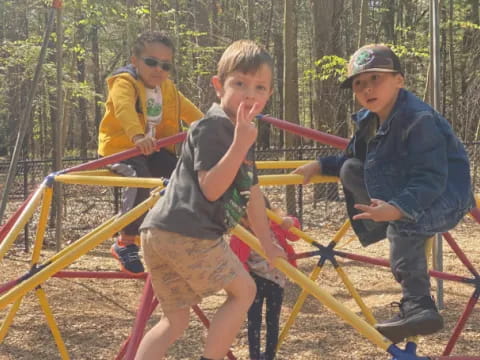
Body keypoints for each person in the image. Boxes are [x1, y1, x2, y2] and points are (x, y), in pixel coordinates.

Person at [293, 44, 474, 344]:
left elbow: (431, 177)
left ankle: (418, 305)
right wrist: (319, 164)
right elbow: (352, 158)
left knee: (404, 229)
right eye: (359, 83)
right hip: (406, 186)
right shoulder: (369, 119)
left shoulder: (418, 119)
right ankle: (387, 221)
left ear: (399, 80)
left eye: (375, 78)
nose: (366, 88)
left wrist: (399, 209)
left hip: (444, 196)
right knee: (351, 167)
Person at [136, 40, 286, 360]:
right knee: (245, 291)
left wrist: (267, 243)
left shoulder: (241, 130)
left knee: (174, 321)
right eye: (240, 83)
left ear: (268, 95)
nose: (250, 94)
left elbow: (252, 194)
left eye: (259, 87)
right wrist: (240, 144)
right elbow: (211, 189)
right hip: (189, 234)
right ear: (219, 86)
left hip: (158, 234)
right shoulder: (215, 125)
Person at [97, 31, 203, 275]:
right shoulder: (124, 82)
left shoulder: (167, 88)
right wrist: (136, 136)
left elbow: (191, 112)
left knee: (181, 175)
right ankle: (125, 241)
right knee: (139, 178)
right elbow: (123, 109)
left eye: (165, 65)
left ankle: (173, 235)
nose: (158, 70)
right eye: (151, 62)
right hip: (121, 148)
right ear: (135, 60)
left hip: (152, 149)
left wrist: (215, 127)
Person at [230, 198, 300, 360]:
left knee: (272, 320)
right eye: (251, 219)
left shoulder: (275, 226)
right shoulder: (241, 235)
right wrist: (244, 282)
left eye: (263, 217)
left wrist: (291, 222)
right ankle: (254, 355)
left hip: (276, 280)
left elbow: (295, 235)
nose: (258, 223)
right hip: (254, 282)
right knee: (254, 320)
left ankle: (269, 354)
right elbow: (236, 261)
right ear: (243, 220)